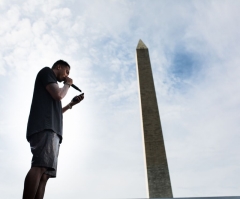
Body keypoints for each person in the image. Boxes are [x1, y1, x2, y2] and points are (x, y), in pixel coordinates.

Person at [22, 60, 84, 199]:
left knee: (45, 174)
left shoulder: (55, 86)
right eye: (67, 72)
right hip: (45, 127)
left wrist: (71, 104)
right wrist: (68, 83)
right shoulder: (47, 72)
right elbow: (58, 95)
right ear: (59, 67)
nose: (67, 75)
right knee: (39, 166)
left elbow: (56, 111)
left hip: (53, 130)